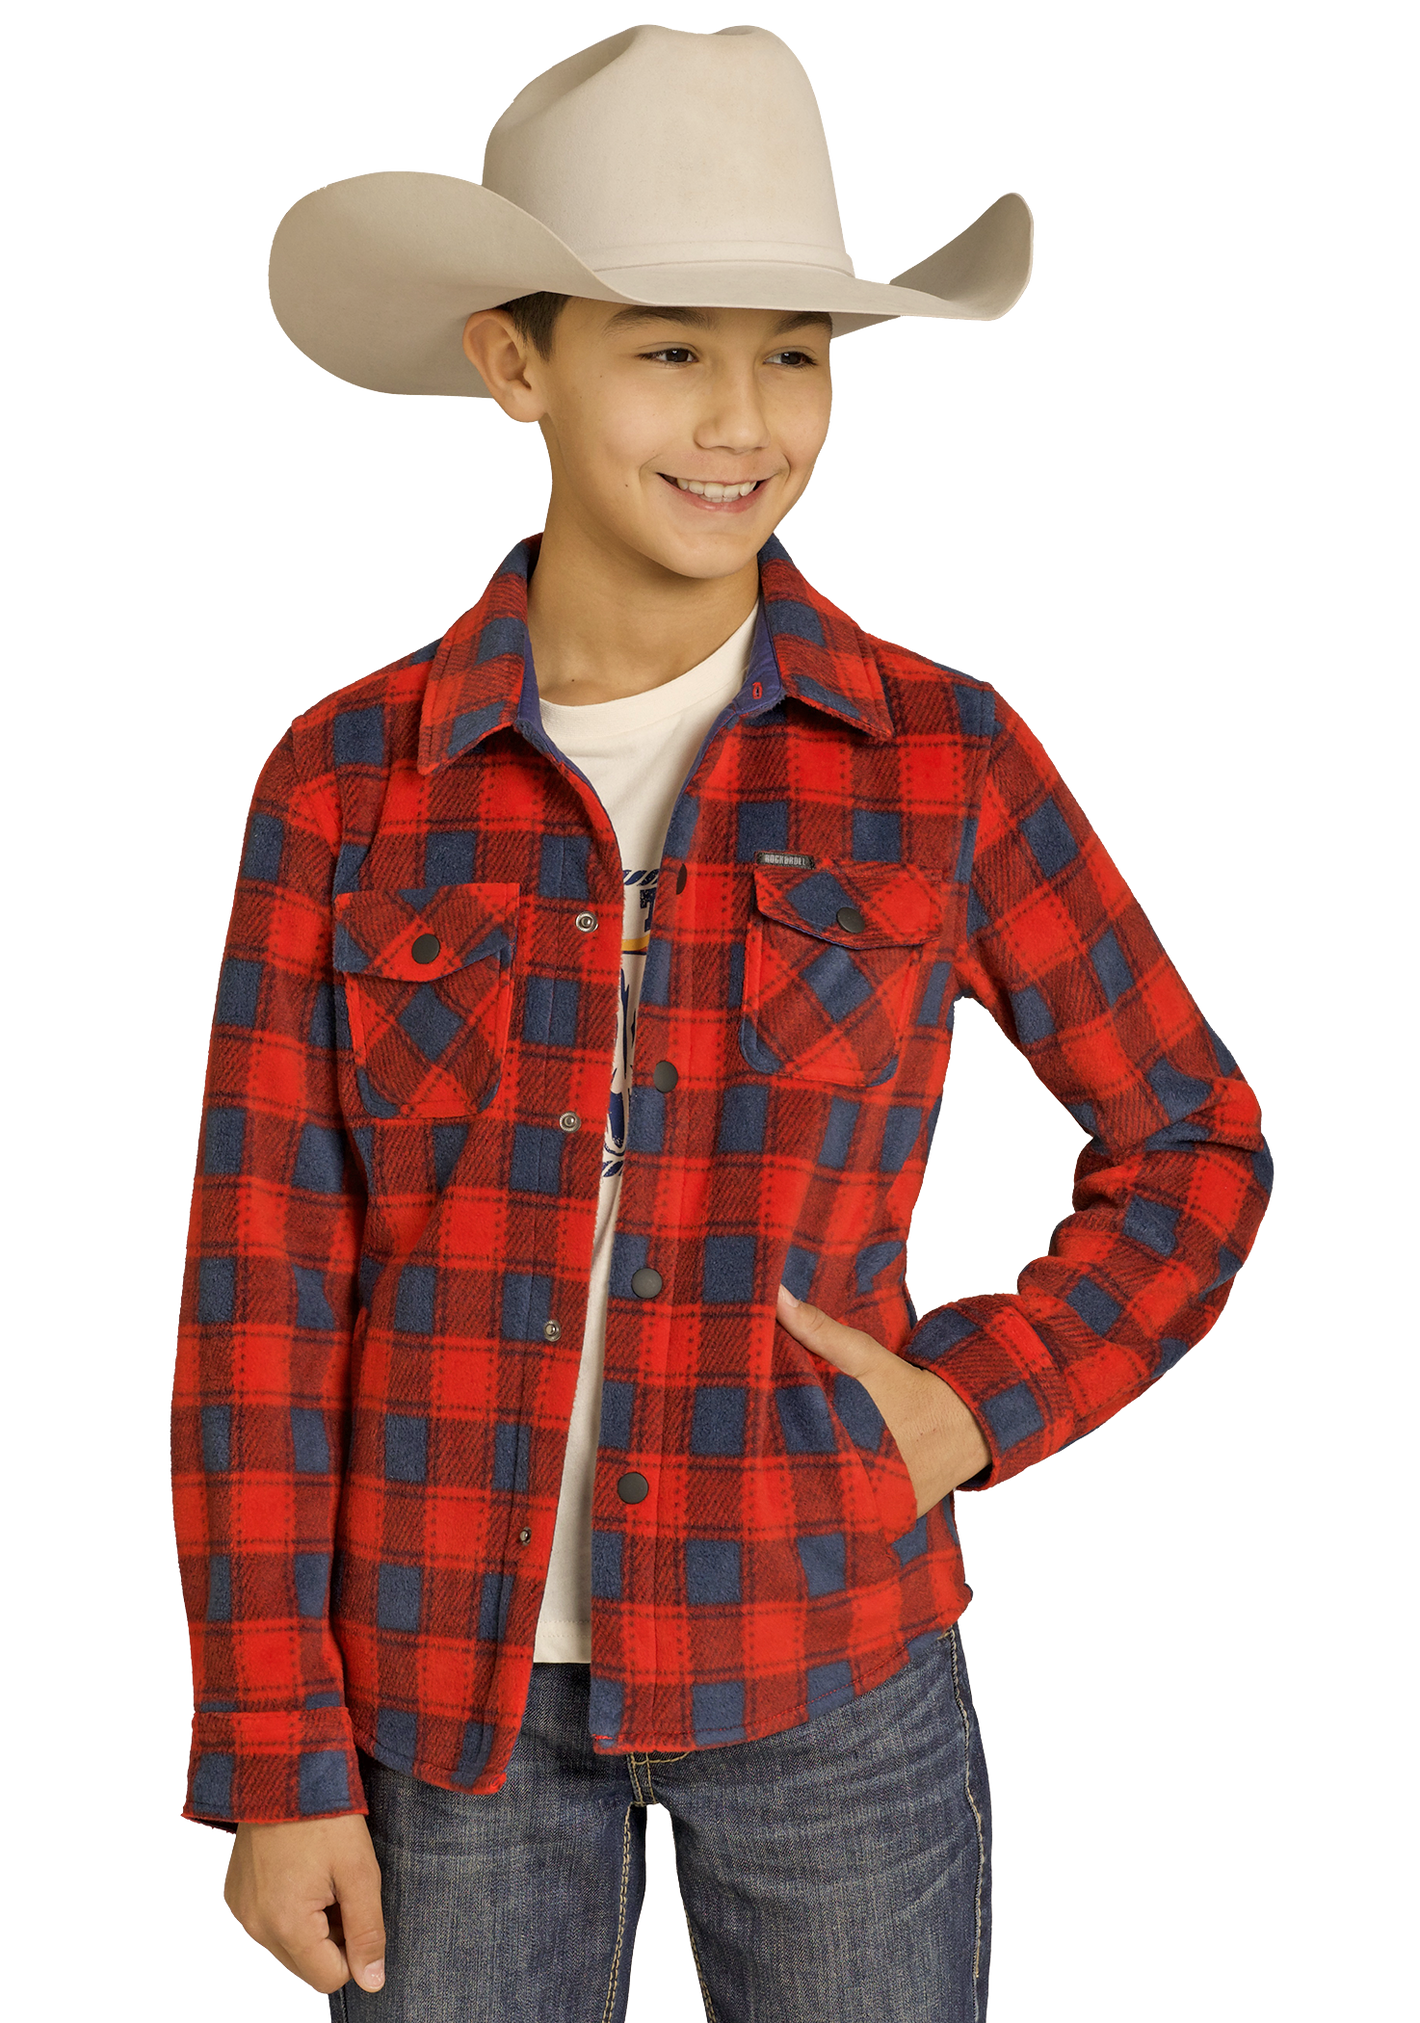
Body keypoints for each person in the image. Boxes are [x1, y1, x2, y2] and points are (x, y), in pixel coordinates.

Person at [169, 22, 1273, 2022]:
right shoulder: (342, 788)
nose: (741, 418)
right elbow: (259, 1293)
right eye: (670, 347)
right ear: (519, 359)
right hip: (440, 1713)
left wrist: (979, 1395)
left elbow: (1190, 1143)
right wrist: (273, 1755)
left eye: (796, 352)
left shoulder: (939, 757)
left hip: (831, 1672)